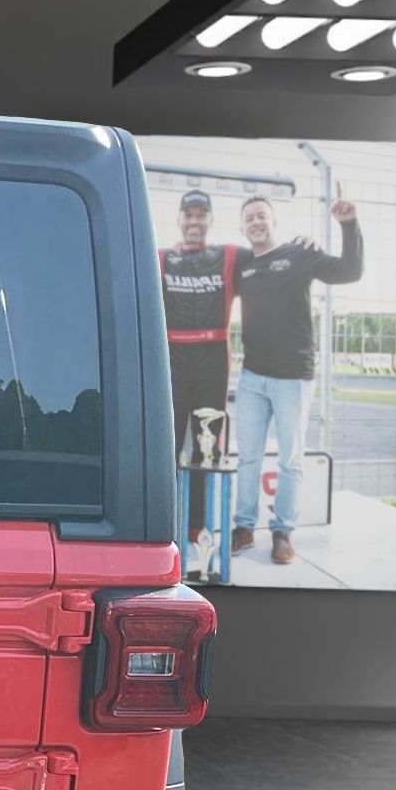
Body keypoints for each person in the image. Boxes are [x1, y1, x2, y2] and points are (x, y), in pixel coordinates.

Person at [231, 191, 363, 566]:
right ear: (243, 227)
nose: (256, 222)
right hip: (252, 377)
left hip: (293, 378)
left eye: (262, 216)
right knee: (248, 459)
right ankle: (243, 526)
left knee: (291, 459)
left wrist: (349, 225)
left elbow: (350, 272)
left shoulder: (299, 254)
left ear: (273, 221)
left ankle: (282, 532)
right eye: (249, 218)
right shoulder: (240, 265)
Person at [159, 189, 238, 545]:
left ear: (209, 219)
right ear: (179, 219)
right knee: (167, 445)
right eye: (188, 215)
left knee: (207, 448)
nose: (194, 221)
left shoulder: (228, 256)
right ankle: (166, 524)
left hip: (212, 360)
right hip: (170, 359)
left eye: (200, 215)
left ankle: (197, 528)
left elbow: (270, 261)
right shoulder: (161, 257)